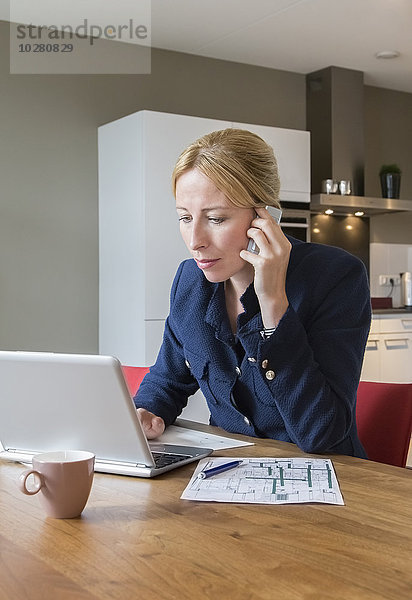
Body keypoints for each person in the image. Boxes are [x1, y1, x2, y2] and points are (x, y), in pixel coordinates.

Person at [134, 128, 371, 457]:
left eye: (216, 219)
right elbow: (169, 379)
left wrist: (274, 306)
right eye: (185, 218)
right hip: (229, 473)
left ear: (266, 216)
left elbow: (322, 435)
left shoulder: (336, 277)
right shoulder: (190, 281)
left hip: (329, 482)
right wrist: (146, 412)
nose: (194, 241)